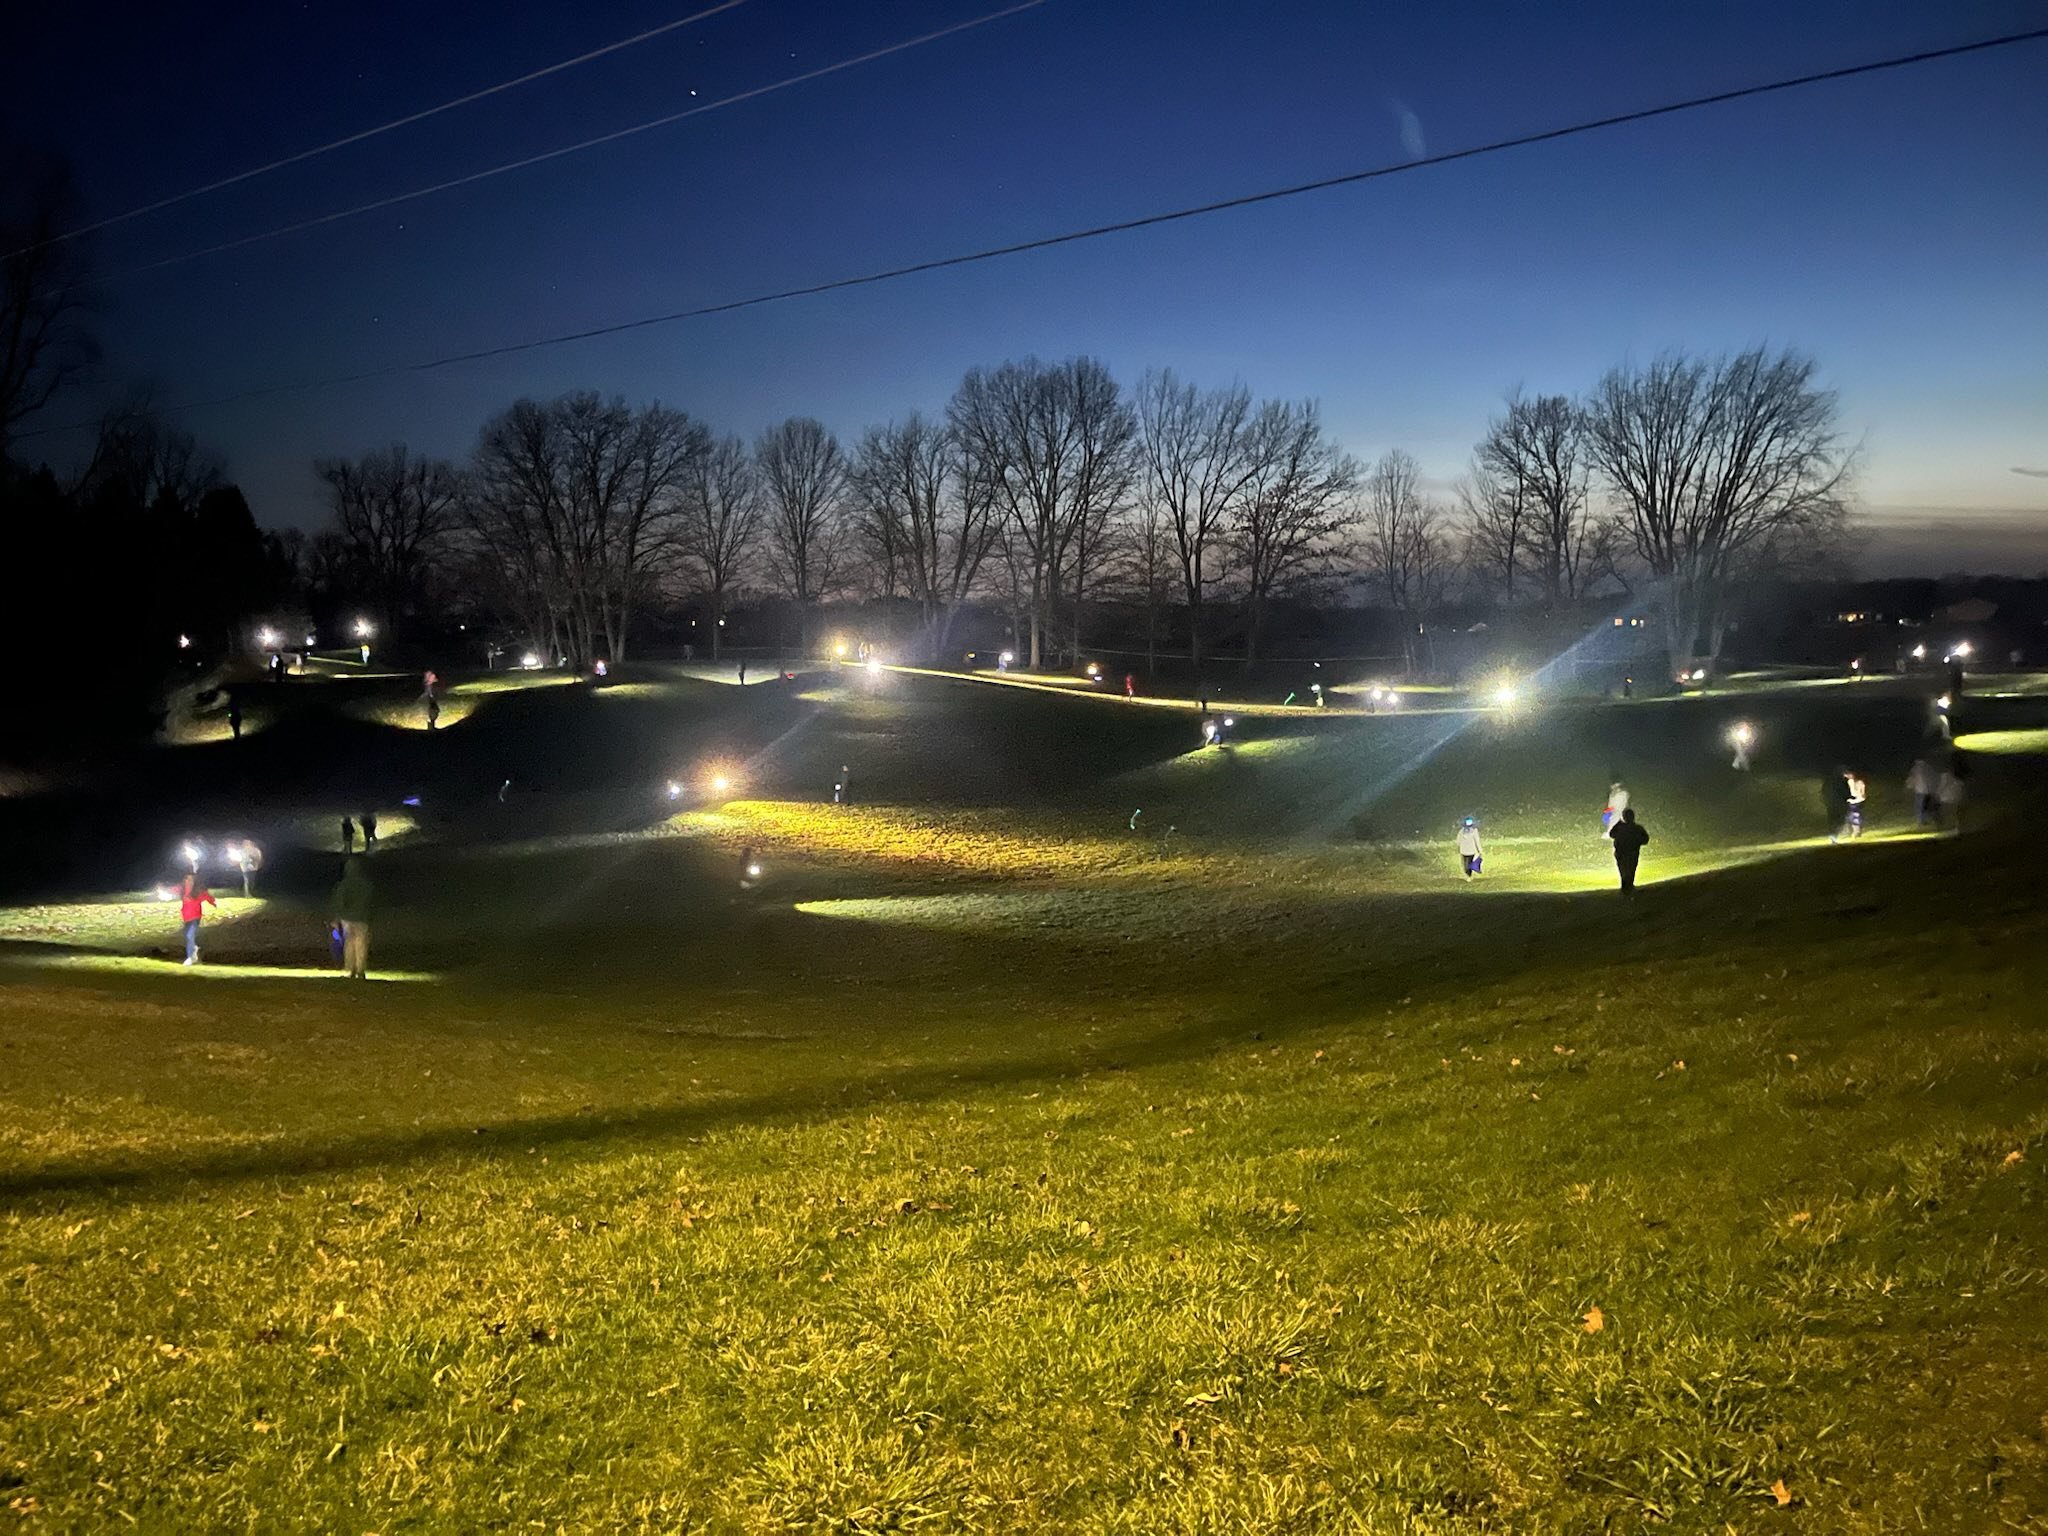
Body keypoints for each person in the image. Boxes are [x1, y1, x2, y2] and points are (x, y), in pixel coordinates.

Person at [332, 857, 374, 980]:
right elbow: (371, 902)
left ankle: (350, 969)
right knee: (361, 944)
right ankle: (360, 970)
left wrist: (337, 917)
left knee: (349, 943)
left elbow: (339, 902)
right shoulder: (366, 885)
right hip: (362, 918)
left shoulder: (344, 885)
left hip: (347, 919)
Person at [1607, 807, 1649, 896]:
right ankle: (1627, 890)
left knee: (1626, 871)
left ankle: (1627, 890)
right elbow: (1645, 840)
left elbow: (1645, 840)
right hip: (1627, 854)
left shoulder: (1633, 828)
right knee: (1628, 871)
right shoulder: (1636, 828)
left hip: (1626, 854)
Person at [178, 872, 217, 966]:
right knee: (188, 937)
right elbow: (173, 890)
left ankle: (190, 957)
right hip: (186, 917)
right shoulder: (182, 890)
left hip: (195, 917)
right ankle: (194, 950)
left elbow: (207, 897)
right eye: (187, 879)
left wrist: (213, 903)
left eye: (191, 879)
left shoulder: (198, 892)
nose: (189, 881)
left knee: (189, 935)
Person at [1834, 770, 1867, 842]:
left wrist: (1854, 799)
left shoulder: (1860, 783)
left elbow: (1861, 795)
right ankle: (1848, 831)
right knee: (1848, 816)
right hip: (1851, 802)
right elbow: (1850, 793)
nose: (1847, 777)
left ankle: (1856, 831)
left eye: (1848, 775)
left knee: (1855, 816)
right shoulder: (1849, 782)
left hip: (1858, 801)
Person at [1906, 758, 1938, 827]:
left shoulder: (1915, 769)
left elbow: (1911, 779)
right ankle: (1926, 819)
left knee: (1919, 806)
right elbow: (1932, 778)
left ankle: (1921, 821)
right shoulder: (1927, 768)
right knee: (1925, 806)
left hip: (1919, 790)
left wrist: (1909, 786)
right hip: (1927, 790)